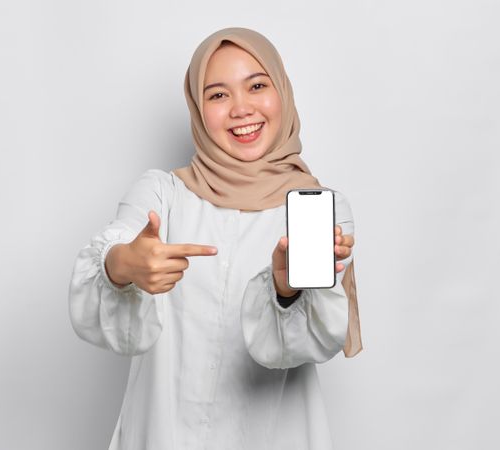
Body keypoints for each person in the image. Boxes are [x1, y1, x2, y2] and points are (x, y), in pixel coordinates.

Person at [68, 27, 362, 450]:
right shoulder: (161, 195)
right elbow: (111, 256)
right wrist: (123, 265)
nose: (241, 109)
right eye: (218, 95)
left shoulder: (321, 214)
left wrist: (285, 291)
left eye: (257, 86)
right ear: (197, 108)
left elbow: (308, 343)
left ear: (282, 91)